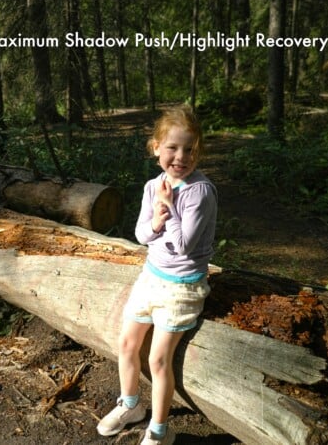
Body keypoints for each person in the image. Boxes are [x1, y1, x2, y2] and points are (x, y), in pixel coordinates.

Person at [96, 105, 217, 445]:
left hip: (182, 287)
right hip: (150, 278)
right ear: (156, 148)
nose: (181, 156)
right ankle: (130, 405)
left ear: (199, 151)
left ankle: (160, 430)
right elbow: (141, 235)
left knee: (157, 358)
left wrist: (169, 209)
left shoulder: (200, 192)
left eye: (189, 149)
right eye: (172, 148)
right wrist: (156, 218)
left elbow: (183, 247)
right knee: (126, 343)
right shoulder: (154, 186)